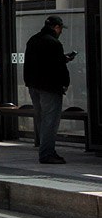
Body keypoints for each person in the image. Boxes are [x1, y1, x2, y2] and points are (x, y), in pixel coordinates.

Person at [23, 15, 77, 164]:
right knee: (50, 120)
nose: (61, 32)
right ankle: (47, 153)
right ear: (56, 27)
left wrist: (28, 83)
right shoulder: (54, 43)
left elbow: (29, 64)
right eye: (60, 29)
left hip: (34, 87)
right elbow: (58, 66)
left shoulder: (33, 40)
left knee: (42, 118)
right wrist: (65, 83)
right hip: (50, 88)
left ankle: (45, 149)